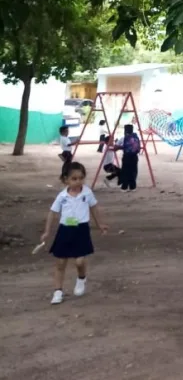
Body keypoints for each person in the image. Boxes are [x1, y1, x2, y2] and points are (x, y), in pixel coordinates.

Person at [42, 161, 108, 304]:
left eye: (81, 178)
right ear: (65, 179)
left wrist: (100, 224)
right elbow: (52, 213)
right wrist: (47, 231)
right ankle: (58, 291)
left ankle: (81, 278)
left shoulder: (87, 192)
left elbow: (94, 208)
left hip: (81, 230)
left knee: (80, 261)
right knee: (60, 262)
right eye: (74, 179)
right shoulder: (62, 196)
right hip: (65, 230)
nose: (78, 182)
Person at [115, 124, 141, 191]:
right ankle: (133, 187)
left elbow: (116, 146)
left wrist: (122, 147)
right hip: (135, 157)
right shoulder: (136, 137)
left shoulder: (123, 138)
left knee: (125, 171)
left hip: (127, 157)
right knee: (133, 171)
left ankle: (124, 187)